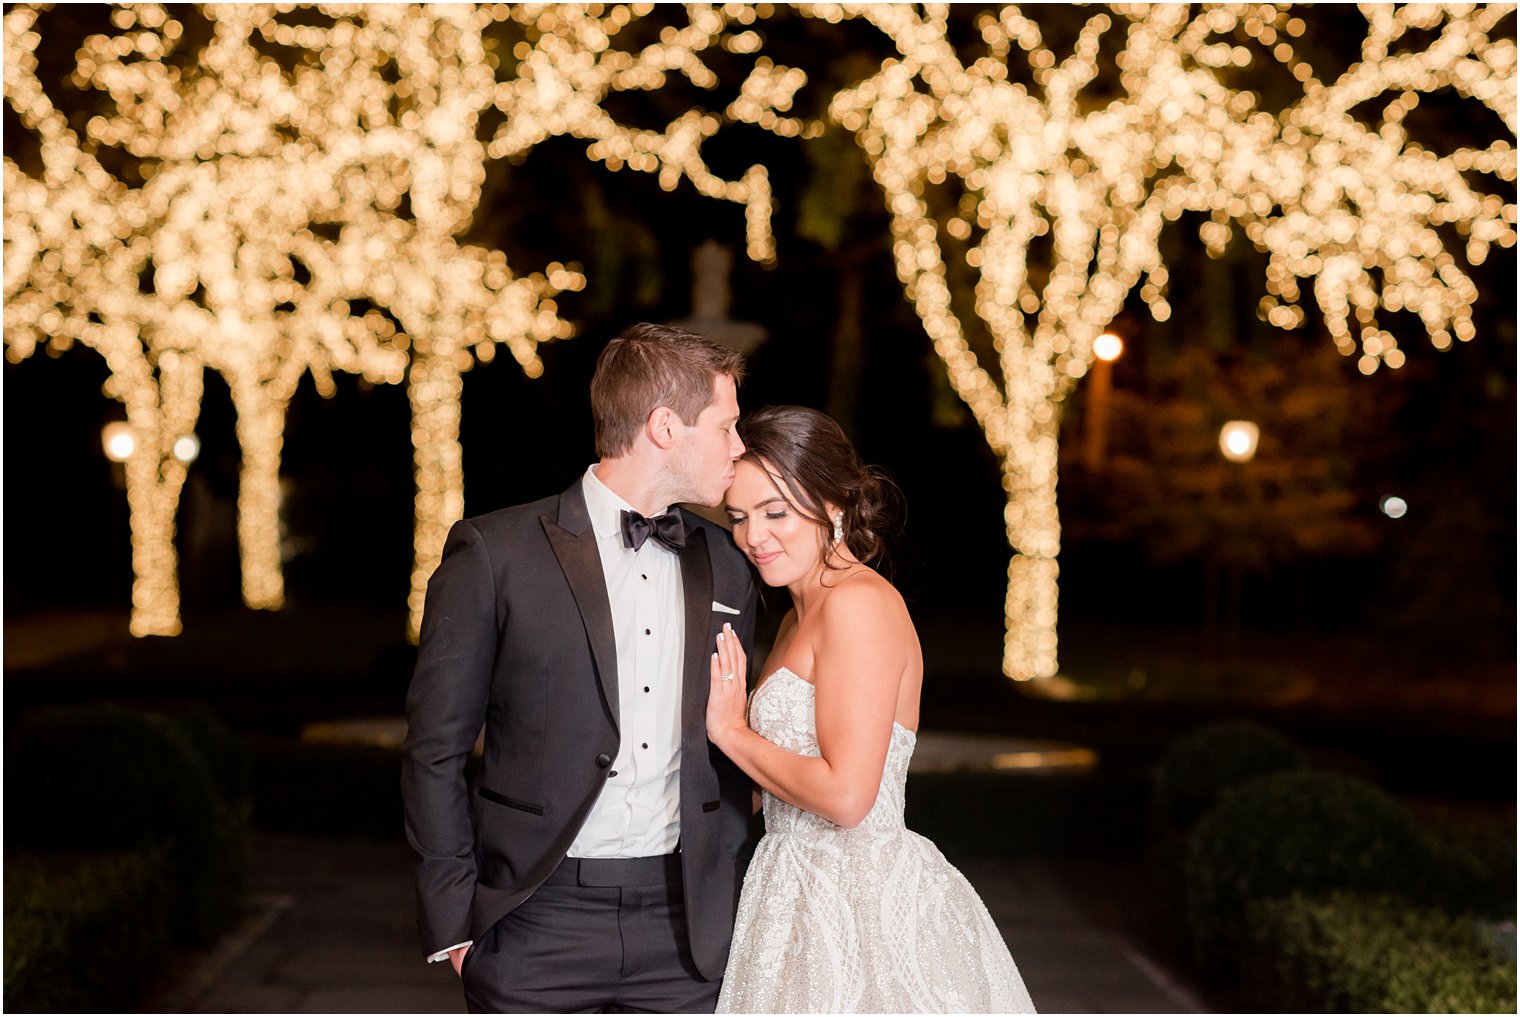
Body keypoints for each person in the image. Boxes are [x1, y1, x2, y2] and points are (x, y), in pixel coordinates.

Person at [402, 323, 760, 1013]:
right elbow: (434, 748)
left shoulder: (727, 564)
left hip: (686, 935)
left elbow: (729, 744)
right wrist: (454, 922)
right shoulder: (493, 552)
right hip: (536, 920)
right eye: (727, 426)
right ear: (664, 427)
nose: (739, 448)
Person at [706, 405, 1037, 1014]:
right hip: (789, 894)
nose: (754, 536)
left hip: (859, 903)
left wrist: (729, 729)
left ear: (834, 504)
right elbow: (775, 781)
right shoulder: (792, 618)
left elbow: (847, 796)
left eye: (776, 512)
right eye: (739, 516)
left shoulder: (856, 603)